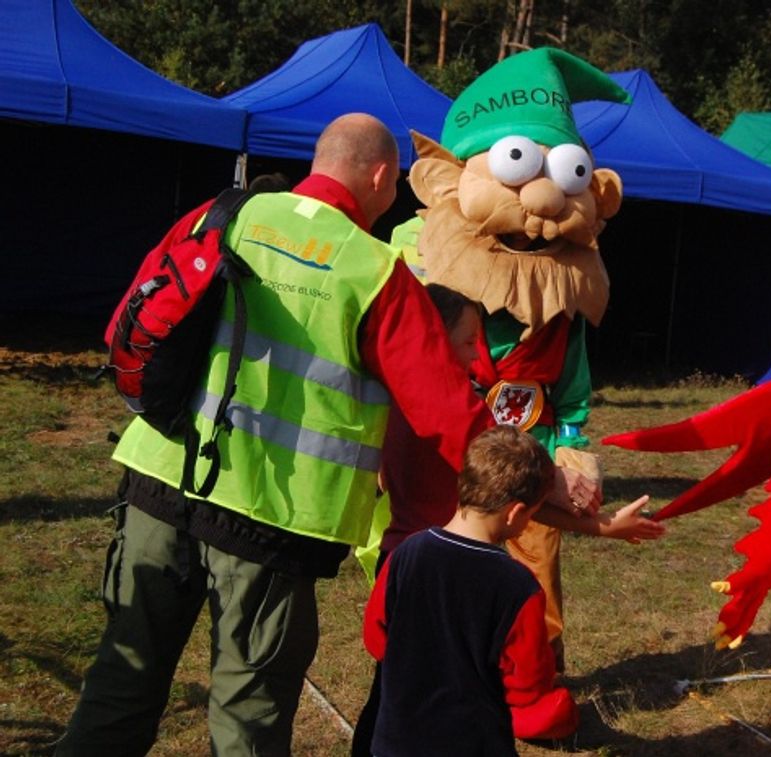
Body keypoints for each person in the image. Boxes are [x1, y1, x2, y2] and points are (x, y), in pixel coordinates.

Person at [56, 113, 497, 756]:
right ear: (381, 176)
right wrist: (537, 480)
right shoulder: (373, 269)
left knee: (120, 684)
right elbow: (446, 409)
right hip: (268, 522)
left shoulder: (222, 214)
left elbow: (133, 314)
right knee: (248, 717)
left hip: (158, 481)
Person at [349, 284, 664, 756]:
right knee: (466, 692)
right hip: (455, 579)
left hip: (404, 562)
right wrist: (601, 525)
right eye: (466, 343)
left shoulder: (398, 403)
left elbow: (377, 642)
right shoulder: (451, 419)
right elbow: (515, 502)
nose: (476, 357)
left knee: (394, 693)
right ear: (434, 339)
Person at [362, 426, 586, 756]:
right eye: (532, 514)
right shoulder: (518, 587)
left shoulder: (405, 554)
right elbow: (527, 688)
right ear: (515, 512)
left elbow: (375, 639)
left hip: (394, 743)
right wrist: (560, 710)